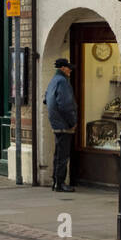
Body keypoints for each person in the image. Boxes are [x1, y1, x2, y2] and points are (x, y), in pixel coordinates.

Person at [44, 57, 77, 192]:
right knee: (63, 155)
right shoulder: (63, 82)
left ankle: (56, 181)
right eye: (69, 68)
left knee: (58, 154)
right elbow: (66, 105)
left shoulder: (53, 81)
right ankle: (60, 183)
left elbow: (45, 99)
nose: (70, 70)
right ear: (63, 68)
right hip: (64, 124)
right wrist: (72, 122)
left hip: (55, 122)